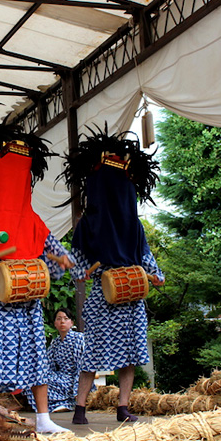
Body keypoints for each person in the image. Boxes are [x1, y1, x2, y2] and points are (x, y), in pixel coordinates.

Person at [0, 117, 73, 433]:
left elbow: (50, 247)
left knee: (37, 358)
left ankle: (44, 419)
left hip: (26, 299)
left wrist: (61, 259)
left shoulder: (31, 216)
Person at [60, 129, 164, 425]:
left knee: (126, 354)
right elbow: (78, 267)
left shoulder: (132, 225)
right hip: (107, 295)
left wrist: (155, 276)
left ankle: (121, 407)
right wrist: (87, 271)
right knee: (94, 353)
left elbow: (145, 258)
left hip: (128, 295)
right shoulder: (90, 223)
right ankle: (82, 409)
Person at [24, 308, 86, 413]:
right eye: (59, 319)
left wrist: (77, 391)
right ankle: (56, 405)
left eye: (66, 319)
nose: (62, 322)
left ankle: (66, 403)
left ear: (71, 323)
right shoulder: (55, 343)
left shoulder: (79, 338)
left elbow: (81, 366)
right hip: (59, 376)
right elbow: (47, 364)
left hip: (73, 379)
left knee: (42, 383)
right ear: (55, 324)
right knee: (35, 379)